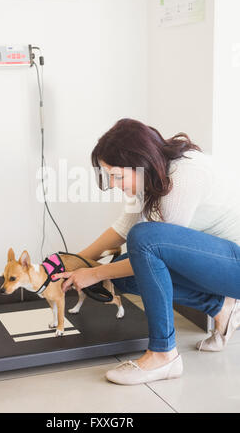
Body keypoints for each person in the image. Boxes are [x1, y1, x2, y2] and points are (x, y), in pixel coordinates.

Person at [60, 118, 240, 385]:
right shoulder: (152, 174)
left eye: (118, 176)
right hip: (220, 262)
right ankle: (220, 307)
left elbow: (151, 248)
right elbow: (122, 229)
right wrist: (74, 263)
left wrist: (94, 273)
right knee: (123, 274)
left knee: (144, 239)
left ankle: (163, 355)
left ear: (139, 162)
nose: (115, 183)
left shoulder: (183, 177)